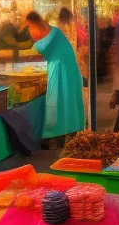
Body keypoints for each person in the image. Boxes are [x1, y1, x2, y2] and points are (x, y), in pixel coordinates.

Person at [25, 12, 85, 143]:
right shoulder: (54, 32)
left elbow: (35, 50)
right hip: (66, 68)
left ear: (34, 24)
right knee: (67, 99)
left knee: (58, 99)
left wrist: (13, 52)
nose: (29, 31)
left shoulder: (50, 35)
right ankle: (68, 132)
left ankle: (57, 135)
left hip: (61, 69)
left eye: (29, 26)